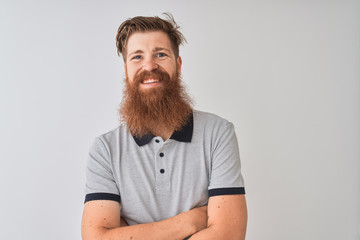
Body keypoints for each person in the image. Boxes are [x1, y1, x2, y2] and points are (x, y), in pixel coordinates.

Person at [81, 13, 247, 240]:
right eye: (137, 57)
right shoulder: (105, 150)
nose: (149, 66)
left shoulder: (218, 134)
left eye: (160, 54)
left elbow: (228, 235)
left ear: (177, 64)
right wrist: (188, 222)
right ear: (126, 70)